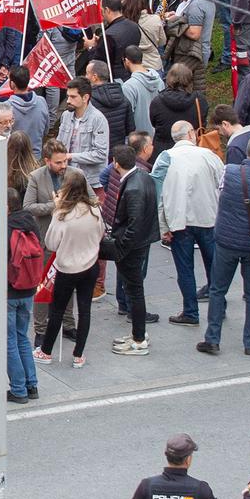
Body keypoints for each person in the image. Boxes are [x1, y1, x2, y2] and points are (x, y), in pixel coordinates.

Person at [202, 133, 250, 357]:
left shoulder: (229, 172)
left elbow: (220, 195)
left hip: (226, 240)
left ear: (247, 152)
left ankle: (212, 338)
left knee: (217, 290)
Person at [34, 170, 103, 367]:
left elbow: (51, 243)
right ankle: (79, 354)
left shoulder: (62, 215)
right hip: (90, 265)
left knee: (57, 310)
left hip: (67, 268)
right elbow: (99, 235)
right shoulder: (95, 210)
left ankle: (46, 351)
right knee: (85, 311)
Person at [157, 121, 222, 327]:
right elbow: (223, 185)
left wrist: (163, 227)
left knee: (185, 269)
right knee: (215, 266)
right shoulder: (208, 156)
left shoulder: (165, 158)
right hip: (208, 219)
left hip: (179, 221)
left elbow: (159, 196)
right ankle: (219, 308)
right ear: (192, 134)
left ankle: (190, 312)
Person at [106, 146, 159, 357]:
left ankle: (138, 339)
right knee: (134, 291)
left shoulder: (133, 187)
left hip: (133, 247)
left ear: (115, 162)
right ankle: (138, 333)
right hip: (142, 242)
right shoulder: (143, 177)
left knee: (134, 292)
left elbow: (133, 224)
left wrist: (121, 248)